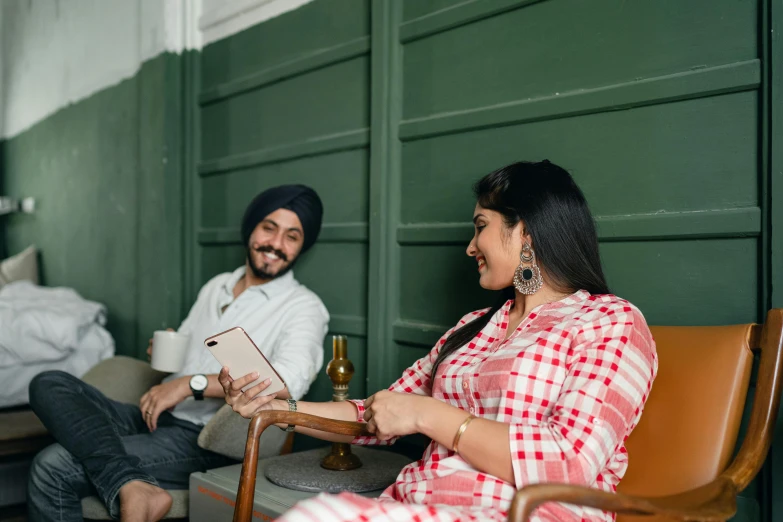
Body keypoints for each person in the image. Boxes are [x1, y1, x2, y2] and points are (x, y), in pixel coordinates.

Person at [221, 162, 658, 522]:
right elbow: (379, 412)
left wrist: (430, 414)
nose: (471, 247)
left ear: (525, 232)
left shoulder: (609, 321)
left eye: (481, 226)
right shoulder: (473, 328)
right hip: (415, 503)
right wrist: (279, 408)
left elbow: (570, 464)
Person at [27, 185, 330, 522]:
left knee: (52, 465)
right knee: (48, 382)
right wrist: (170, 349)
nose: (275, 244)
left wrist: (191, 384)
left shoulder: (304, 307)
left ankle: (130, 484)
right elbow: (189, 348)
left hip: (202, 440)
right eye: (269, 228)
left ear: (303, 246)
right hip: (153, 415)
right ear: (252, 230)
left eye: (292, 236)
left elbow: (287, 383)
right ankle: (131, 485)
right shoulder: (217, 286)